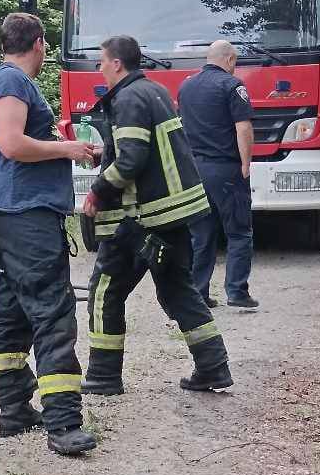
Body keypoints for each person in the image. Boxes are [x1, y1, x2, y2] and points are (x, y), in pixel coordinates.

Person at [80, 35, 233, 395]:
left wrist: (99, 189)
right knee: (178, 291)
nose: (99, 67)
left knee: (105, 290)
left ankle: (103, 376)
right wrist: (109, 152)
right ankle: (213, 366)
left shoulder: (128, 98)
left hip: (142, 219)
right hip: (174, 214)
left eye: (102, 61)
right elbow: (145, 151)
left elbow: (131, 159)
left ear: (117, 63)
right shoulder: (155, 91)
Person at [0, 12, 99, 458]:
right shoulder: (13, 82)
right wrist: (65, 148)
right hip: (26, 214)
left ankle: (14, 410)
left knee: (12, 309)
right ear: (40, 44)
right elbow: (10, 143)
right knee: (52, 310)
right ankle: (63, 422)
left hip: (12, 212)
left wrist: (51, 142)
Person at [178, 40, 258, 311]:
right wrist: (246, 163)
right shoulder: (232, 86)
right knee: (239, 232)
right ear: (230, 59)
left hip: (195, 169)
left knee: (201, 234)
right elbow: (243, 128)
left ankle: (198, 292)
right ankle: (236, 291)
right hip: (225, 169)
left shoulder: (186, 86)